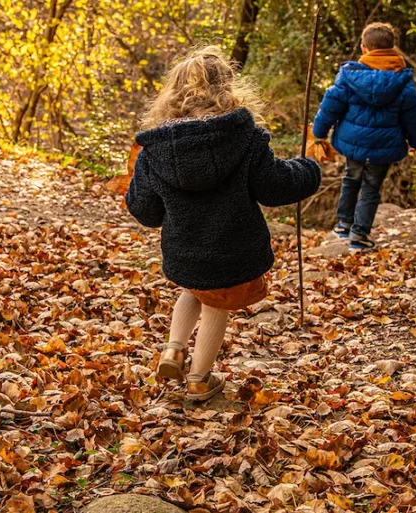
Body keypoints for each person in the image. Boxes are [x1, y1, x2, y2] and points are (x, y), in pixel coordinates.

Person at [126, 46, 321, 401]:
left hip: (184, 252)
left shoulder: (154, 149)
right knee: (217, 303)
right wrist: (307, 171)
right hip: (233, 250)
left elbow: (145, 210)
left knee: (193, 290)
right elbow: (275, 187)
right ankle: (199, 379)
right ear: (228, 88)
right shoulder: (244, 138)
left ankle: (173, 350)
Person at [312, 22, 416, 250]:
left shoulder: (350, 75)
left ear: (364, 49)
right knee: (371, 188)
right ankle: (359, 235)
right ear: (392, 48)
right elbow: (414, 116)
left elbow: (331, 106)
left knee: (351, 177)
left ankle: (344, 223)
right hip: (384, 145)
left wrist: (319, 132)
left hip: (353, 140)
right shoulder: (402, 81)